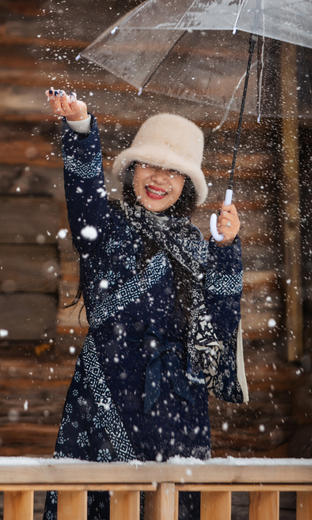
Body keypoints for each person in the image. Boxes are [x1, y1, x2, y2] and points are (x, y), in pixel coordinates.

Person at [42, 89, 249, 520]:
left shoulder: (198, 246)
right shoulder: (104, 226)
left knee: (171, 507)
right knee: (98, 503)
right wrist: (80, 128)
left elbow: (222, 324)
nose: (160, 178)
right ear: (133, 169)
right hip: (109, 391)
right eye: (151, 164)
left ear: (187, 186)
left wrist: (227, 249)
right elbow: (83, 192)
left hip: (179, 405)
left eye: (174, 172)